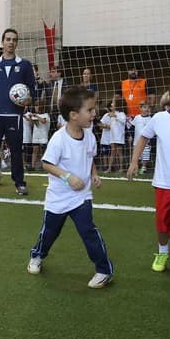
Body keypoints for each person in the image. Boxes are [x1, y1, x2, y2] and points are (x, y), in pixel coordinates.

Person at [27, 85, 113, 289]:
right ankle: (37, 256)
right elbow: (46, 163)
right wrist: (68, 177)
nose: (94, 114)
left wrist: (93, 174)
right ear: (74, 115)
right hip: (58, 198)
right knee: (49, 233)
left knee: (88, 231)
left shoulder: (90, 136)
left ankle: (104, 270)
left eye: (94, 109)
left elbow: (90, 158)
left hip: (81, 197)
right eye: (90, 110)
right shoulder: (59, 138)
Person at [126, 89, 170, 273]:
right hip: (164, 183)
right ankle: (162, 253)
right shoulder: (159, 118)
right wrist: (135, 161)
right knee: (163, 222)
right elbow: (143, 137)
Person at [0, 28, 38, 197]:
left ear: (17, 43)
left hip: (15, 116)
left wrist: (28, 100)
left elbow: (32, 90)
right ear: (2, 42)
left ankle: (19, 183)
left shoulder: (24, 65)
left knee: (16, 152)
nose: (11, 42)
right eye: (8, 39)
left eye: (14, 40)